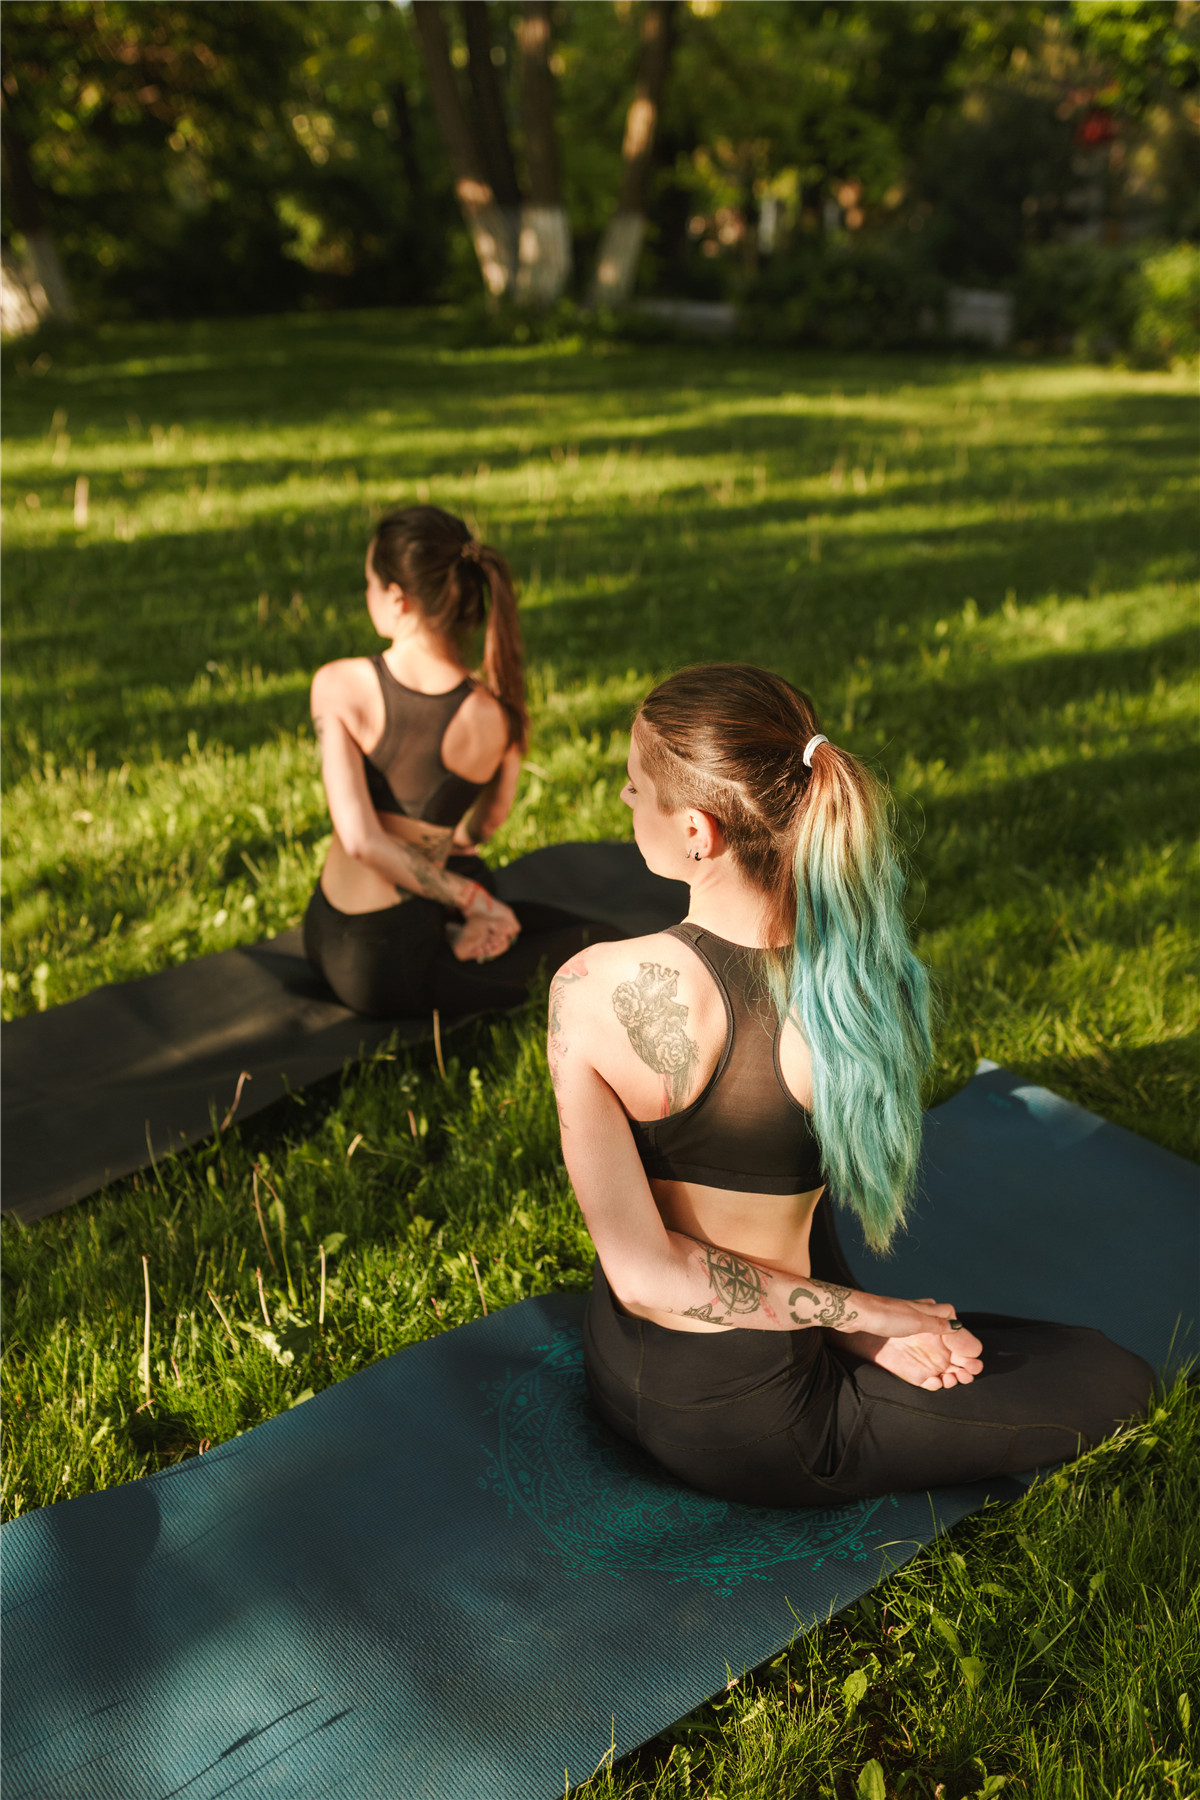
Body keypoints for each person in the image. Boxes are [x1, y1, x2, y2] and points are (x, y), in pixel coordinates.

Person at [548, 664, 1153, 1508]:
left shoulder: (584, 987)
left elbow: (643, 1272)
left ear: (697, 831)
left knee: (956, 1338)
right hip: (763, 1429)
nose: (623, 796)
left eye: (634, 785)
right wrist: (875, 1319)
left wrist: (867, 1330)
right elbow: (731, 1230)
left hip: (617, 1371)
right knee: (1115, 1377)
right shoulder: (849, 1003)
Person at [305, 505, 596, 1018]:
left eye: (368, 583)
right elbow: (483, 825)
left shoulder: (337, 684)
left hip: (326, 931)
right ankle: (457, 935)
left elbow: (359, 839)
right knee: (592, 942)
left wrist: (461, 890)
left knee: (480, 879)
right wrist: (471, 898)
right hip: (388, 967)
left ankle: (456, 930)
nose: (367, 595)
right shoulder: (498, 713)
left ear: (398, 599)